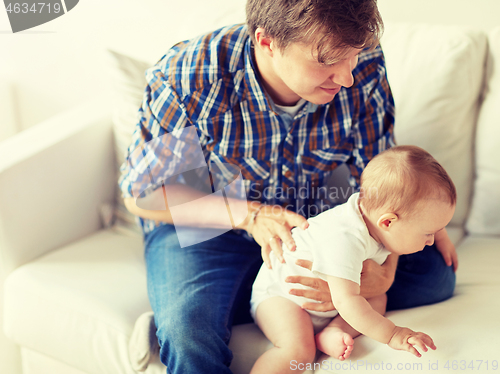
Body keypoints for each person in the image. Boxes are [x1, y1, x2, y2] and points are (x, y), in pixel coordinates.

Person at [118, 1, 456, 373]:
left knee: (436, 275)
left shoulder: (366, 63)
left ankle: (229, 306)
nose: (347, 78)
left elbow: (384, 188)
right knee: (188, 335)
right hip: (207, 223)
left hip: (308, 225)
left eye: (353, 56)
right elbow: (143, 193)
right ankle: (182, 318)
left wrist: (384, 266)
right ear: (266, 42)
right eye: (327, 60)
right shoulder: (189, 75)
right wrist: (248, 215)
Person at [249, 145, 456, 373]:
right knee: (299, 350)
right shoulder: (345, 238)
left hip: (330, 301)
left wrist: (441, 235)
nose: (430, 242)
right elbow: (347, 301)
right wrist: (394, 334)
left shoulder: (374, 213)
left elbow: (414, 206)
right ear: (387, 222)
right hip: (283, 297)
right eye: (429, 233)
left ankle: (332, 330)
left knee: (378, 299)